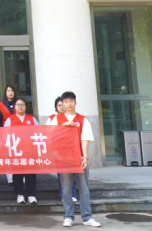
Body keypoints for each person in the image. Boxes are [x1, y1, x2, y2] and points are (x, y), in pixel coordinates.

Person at [48, 91, 101, 228]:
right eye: (66, 101)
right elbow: (50, 136)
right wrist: (63, 127)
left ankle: (87, 217)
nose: (69, 104)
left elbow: (85, 139)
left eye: (71, 101)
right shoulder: (57, 119)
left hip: (79, 159)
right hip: (64, 159)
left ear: (75, 102)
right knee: (66, 189)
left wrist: (85, 157)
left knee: (84, 188)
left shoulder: (83, 119)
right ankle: (68, 216)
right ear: (62, 104)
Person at [5, 97, 38, 205]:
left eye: (22, 105)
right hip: (16, 151)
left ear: (25, 106)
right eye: (18, 105)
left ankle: (31, 195)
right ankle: (19, 194)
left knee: (31, 173)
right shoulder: (10, 120)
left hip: (30, 151)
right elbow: (5, 134)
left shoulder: (31, 119)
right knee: (17, 173)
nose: (20, 106)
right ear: (15, 107)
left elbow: (38, 132)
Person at [49, 96, 78, 203]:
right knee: (62, 174)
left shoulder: (73, 117)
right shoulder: (52, 119)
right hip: (59, 151)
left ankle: (73, 194)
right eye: (59, 105)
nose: (61, 107)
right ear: (56, 107)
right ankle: (63, 194)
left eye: (63, 104)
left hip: (71, 150)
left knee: (73, 173)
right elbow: (49, 133)